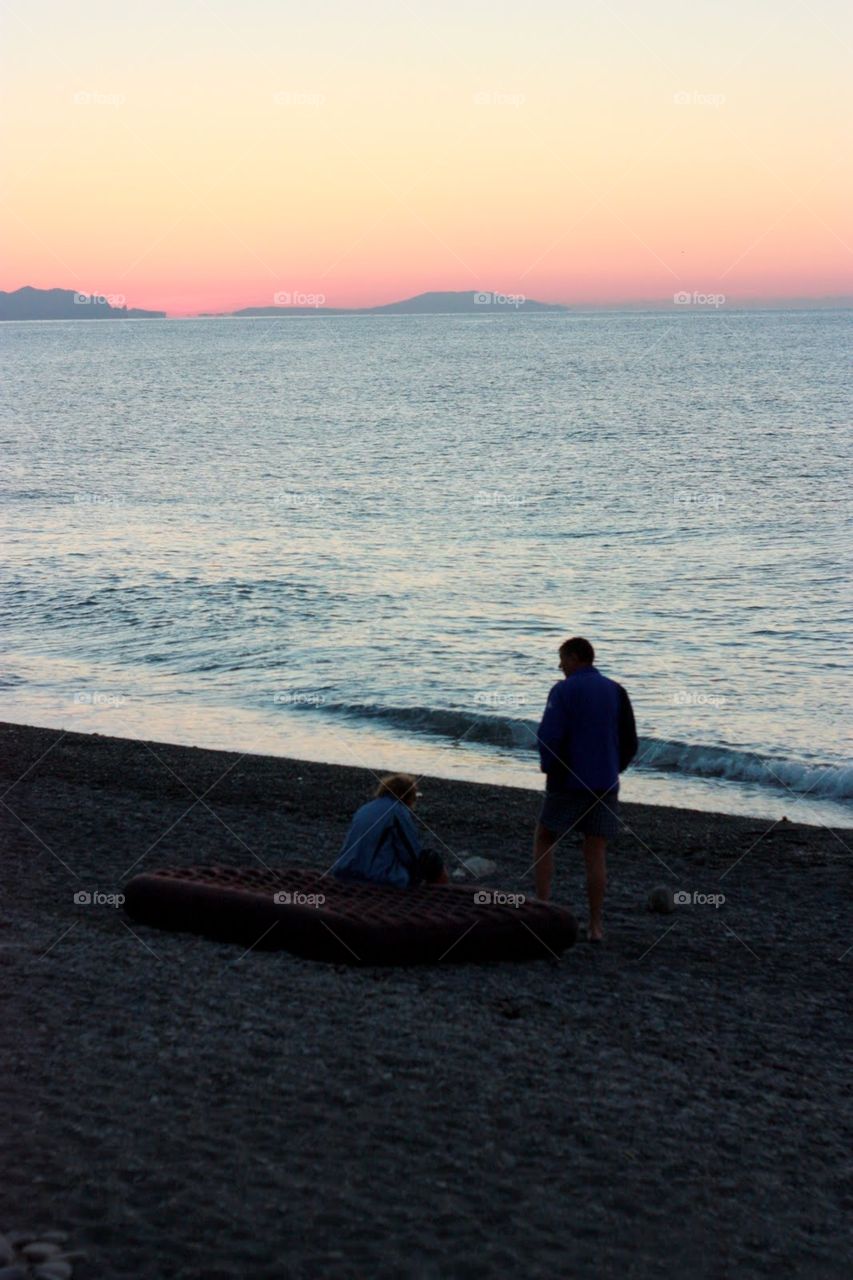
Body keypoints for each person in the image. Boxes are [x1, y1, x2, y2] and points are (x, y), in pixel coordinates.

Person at [533, 637, 637, 941]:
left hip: (567, 780)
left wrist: (549, 768)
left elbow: (549, 735)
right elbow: (630, 740)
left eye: (562, 659)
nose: (559, 665)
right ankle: (595, 926)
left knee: (545, 837)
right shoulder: (616, 690)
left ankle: (542, 907)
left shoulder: (563, 690)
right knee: (595, 850)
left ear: (576, 658)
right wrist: (615, 767)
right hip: (604, 782)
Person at [331, 773, 449, 888]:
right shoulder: (397, 812)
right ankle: (439, 898)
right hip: (374, 877)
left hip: (344, 870)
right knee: (433, 860)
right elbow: (411, 854)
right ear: (408, 796)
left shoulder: (365, 808)